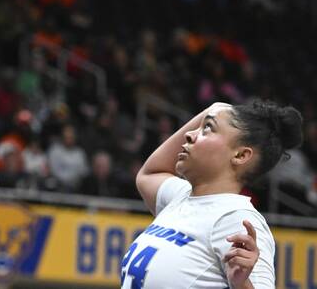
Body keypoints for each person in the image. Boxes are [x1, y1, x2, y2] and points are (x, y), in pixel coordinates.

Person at [124, 100, 303, 289]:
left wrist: (241, 284)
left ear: (240, 155)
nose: (189, 134)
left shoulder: (238, 220)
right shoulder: (180, 196)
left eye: (207, 128)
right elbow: (150, 173)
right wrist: (210, 111)